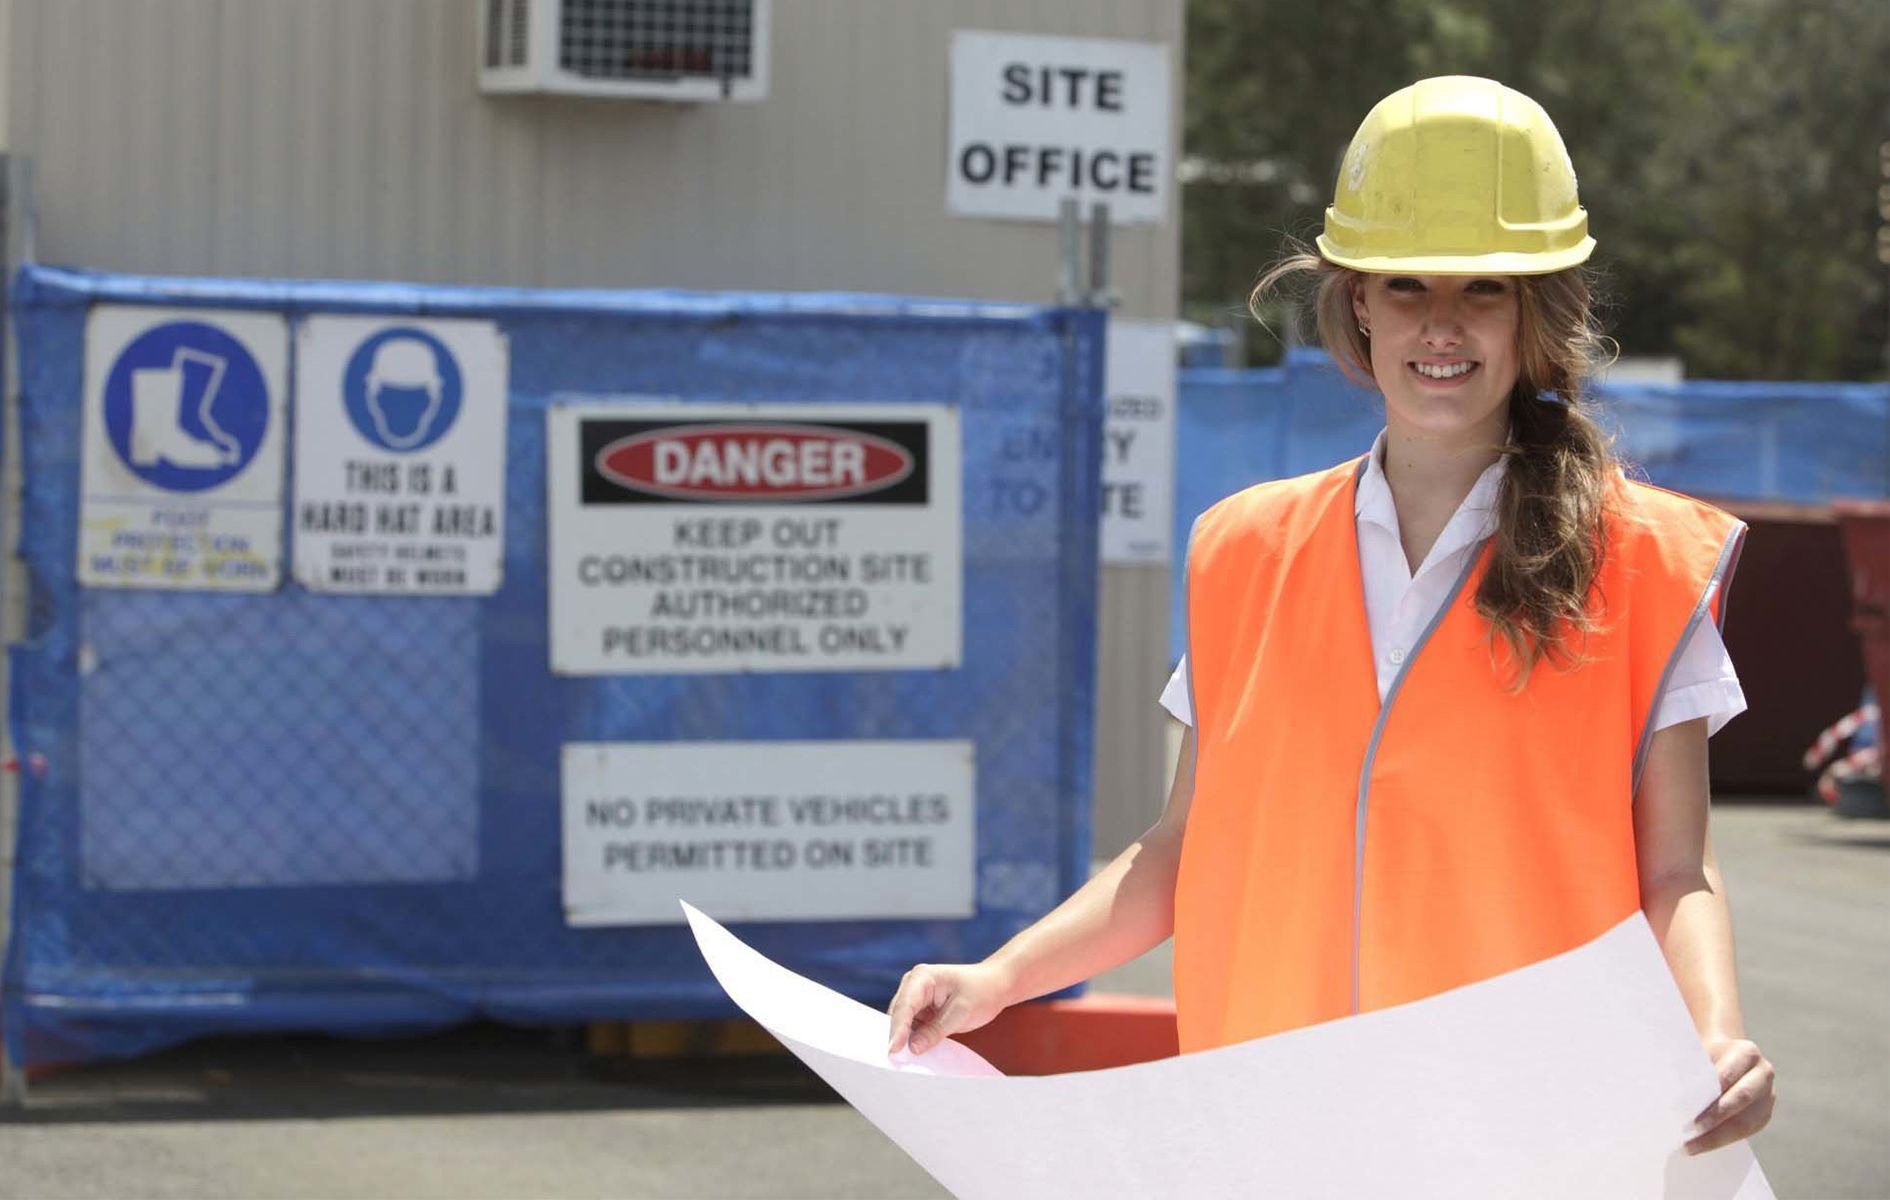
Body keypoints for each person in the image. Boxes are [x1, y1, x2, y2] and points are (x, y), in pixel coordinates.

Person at [885, 76, 1776, 1158]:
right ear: (1357, 301)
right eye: (1406, 285)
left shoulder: (1641, 563)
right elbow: (1179, 850)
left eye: (1484, 289)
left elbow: (1677, 870)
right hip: (1279, 1134)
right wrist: (998, 979)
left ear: (1535, 310)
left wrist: (1717, 1034)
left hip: (1530, 1146)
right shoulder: (1243, 553)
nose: (1441, 325)